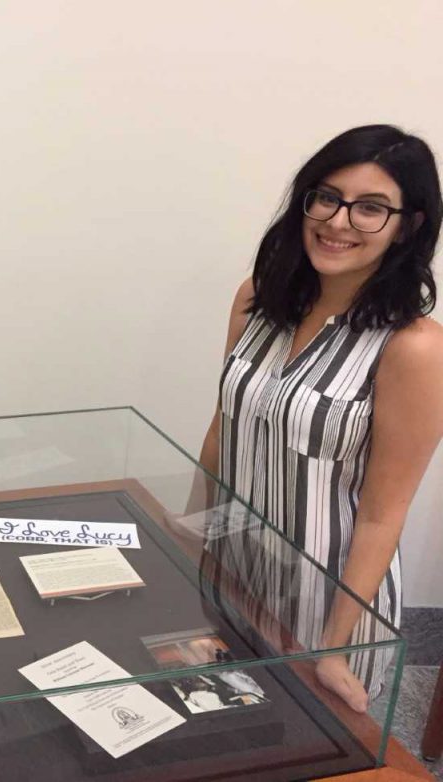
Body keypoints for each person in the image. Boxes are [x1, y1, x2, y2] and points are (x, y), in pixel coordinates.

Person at [198, 125, 443, 712]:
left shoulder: (412, 347)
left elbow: (386, 512)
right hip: (237, 563)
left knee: (306, 742)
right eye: (328, 197)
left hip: (328, 597)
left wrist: (331, 648)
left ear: (407, 225)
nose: (337, 222)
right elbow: (221, 432)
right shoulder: (257, 299)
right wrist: (192, 544)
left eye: (370, 209)